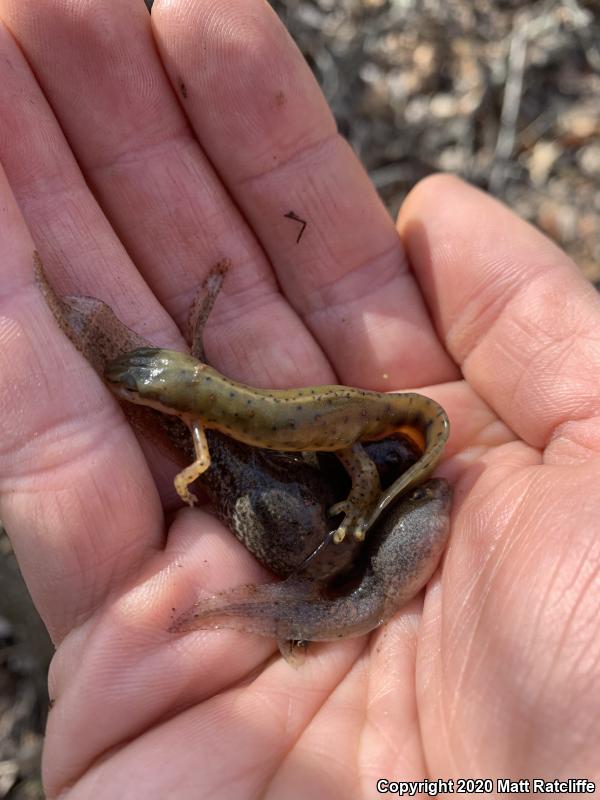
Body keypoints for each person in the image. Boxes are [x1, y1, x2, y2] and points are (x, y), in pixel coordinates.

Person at [0, 1, 598, 796]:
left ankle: (374, 486)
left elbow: (206, 447)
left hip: (346, 429)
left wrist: (361, 496)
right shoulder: (205, 398)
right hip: (330, 423)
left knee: (361, 459)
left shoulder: (210, 419)